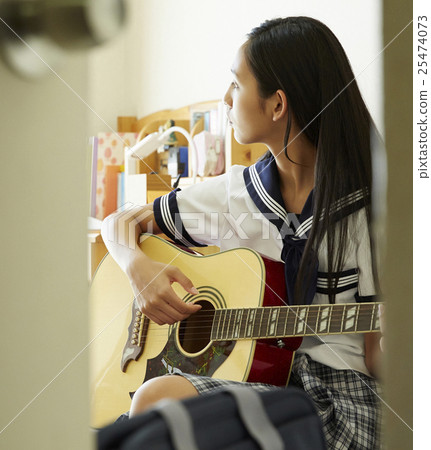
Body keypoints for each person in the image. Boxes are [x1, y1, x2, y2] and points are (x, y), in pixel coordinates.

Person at [102, 16, 383, 449]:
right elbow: (119, 221)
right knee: (152, 401)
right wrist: (137, 267)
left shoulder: (376, 208)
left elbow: (379, 356)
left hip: (343, 399)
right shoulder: (237, 195)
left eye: (236, 84)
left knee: (152, 408)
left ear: (277, 105)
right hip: (263, 381)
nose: (225, 98)